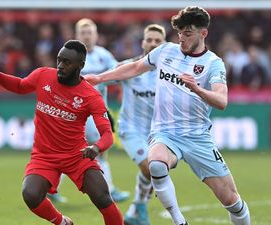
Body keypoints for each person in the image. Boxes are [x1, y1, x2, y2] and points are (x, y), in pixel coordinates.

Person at [85, 6, 251, 225]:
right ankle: (178, 221)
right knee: (155, 164)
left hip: (198, 137)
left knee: (231, 199)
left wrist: (198, 89)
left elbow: (222, 101)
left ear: (203, 33)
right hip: (165, 133)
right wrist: (99, 78)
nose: (182, 38)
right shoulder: (166, 52)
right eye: (180, 32)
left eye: (188, 33)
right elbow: (134, 67)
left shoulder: (213, 63)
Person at [0, 40, 124, 225]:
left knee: (103, 199)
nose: (60, 66)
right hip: (44, 156)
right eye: (59, 60)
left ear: (81, 65)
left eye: (67, 62)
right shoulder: (43, 75)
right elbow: (20, 86)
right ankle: (63, 222)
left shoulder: (91, 96)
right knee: (30, 195)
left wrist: (96, 148)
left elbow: (107, 135)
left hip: (76, 156)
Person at [48, 18, 130, 203]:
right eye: (83, 33)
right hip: (73, 112)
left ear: (96, 35)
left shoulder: (104, 55)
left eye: (90, 32)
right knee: (71, 151)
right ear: (77, 36)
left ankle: (52, 188)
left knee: (97, 151)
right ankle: (107, 190)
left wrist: (113, 85)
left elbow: (119, 74)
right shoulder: (69, 54)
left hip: (96, 112)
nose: (87, 36)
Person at [117, 24, 166, 225]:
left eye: (158, 41)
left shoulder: (169, 71)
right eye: (150, 39)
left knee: (156, 172)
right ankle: (140, 206)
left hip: (158, 132)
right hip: (131, 129)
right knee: (148, 169)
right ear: (143, 42)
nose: (153, 43)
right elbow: (101, 81)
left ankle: (133, 212)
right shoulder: (129, 67)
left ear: (164, 45)